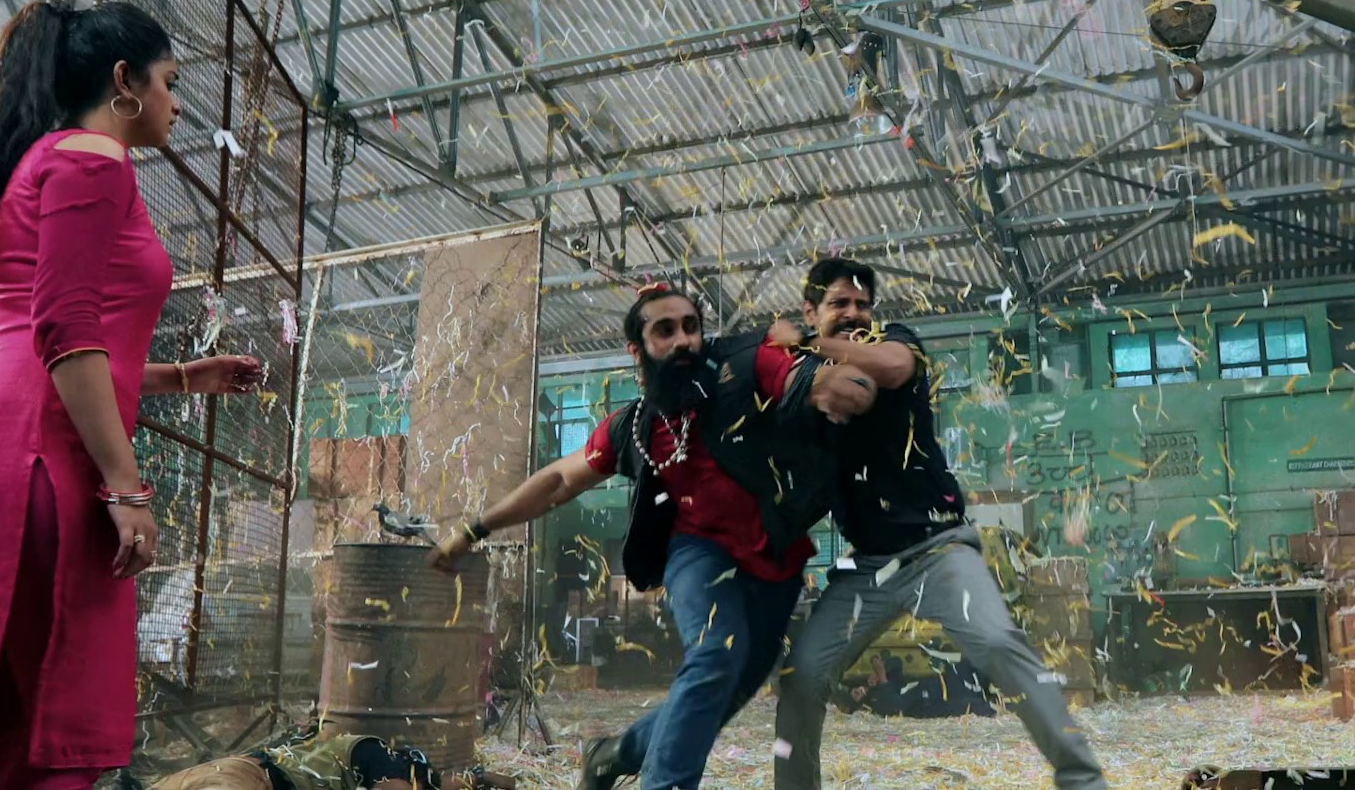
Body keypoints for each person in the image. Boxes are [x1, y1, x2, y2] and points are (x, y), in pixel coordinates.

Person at [0, 0, 265, 789]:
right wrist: (126, 488)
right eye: (171, 81)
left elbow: (39, 332)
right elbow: (65, 330)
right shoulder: (95, 160)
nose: (177, 103)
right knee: (57, 733)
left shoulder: (39, 160)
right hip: (33, 454)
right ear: (124, 81)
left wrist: (181, 377)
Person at [427, 284, 876, 790]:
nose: (684, 340)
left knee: (718, 696)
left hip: (777, 560)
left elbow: (796, 376)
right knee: (715, 656)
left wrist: (831, 384)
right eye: (666, 330)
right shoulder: (635, 427)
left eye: (691, 327)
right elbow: (557, 481)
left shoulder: (743, 367)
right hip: (699, 554)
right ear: (637, 350)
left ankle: (614, 754)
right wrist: (474, 530)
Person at [769, 259, 1108, 789]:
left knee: (998, 644)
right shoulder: (808, 384)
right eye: (839, 304)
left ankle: (1083, 779)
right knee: (802, 676)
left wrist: (807, 344)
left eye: (862, 304)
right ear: (811, 310)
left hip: (939, 550)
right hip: (867, 568)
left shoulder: (896, 342)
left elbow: (892, 368)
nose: (854, 313)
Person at [149, 733, 478, 790]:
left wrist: (482, 777)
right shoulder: (388, 768)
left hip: (239, 770)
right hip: (252, 780)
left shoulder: (368, 756)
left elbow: (451, 783)